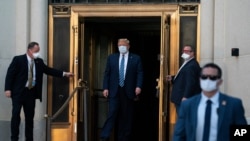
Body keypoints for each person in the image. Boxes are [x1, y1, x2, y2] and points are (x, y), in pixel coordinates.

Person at [4, 42, 74, 141]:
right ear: (29, 50)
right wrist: (8, 89)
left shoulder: (39, 62)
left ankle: (29, 139)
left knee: (29, 118)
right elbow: (10, 74)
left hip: (31, 93)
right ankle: (14, 138)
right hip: (19, 92)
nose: (38, 53)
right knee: (16, 116)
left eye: (38, 51)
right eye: (36, 51)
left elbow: (49, 70)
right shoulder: (18, 60)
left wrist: (64, 74)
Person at [173, 63, 247, 141]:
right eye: (204, 77)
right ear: (200, 79)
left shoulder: (234, 104)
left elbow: (241, 134)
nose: (208, 80)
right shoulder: (188, 105)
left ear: (220, 81)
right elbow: (179, 134)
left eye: (212, 78)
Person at [100, 38, 143, 141]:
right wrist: (105, 87)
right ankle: (104, 136)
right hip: (114, 90)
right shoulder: (112, 58)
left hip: (128, 91)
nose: (121, 47)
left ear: (128, 46)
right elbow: (107, 73)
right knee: (112, 113)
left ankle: (123, 138)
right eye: (119, 45)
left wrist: (138, 86)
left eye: (123, 45)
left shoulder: (136, 58)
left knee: (126, 116)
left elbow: (140, 73)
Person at [166, 45, 201, 114]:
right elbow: (184, 77)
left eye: (187, 51)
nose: (184, 53)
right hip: (181, 97)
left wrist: (185, 96)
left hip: (183, 98)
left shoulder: (191, 65)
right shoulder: (187, 62)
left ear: (192, 53)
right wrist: (173, 78)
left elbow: (190, 83)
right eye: (183, 51)